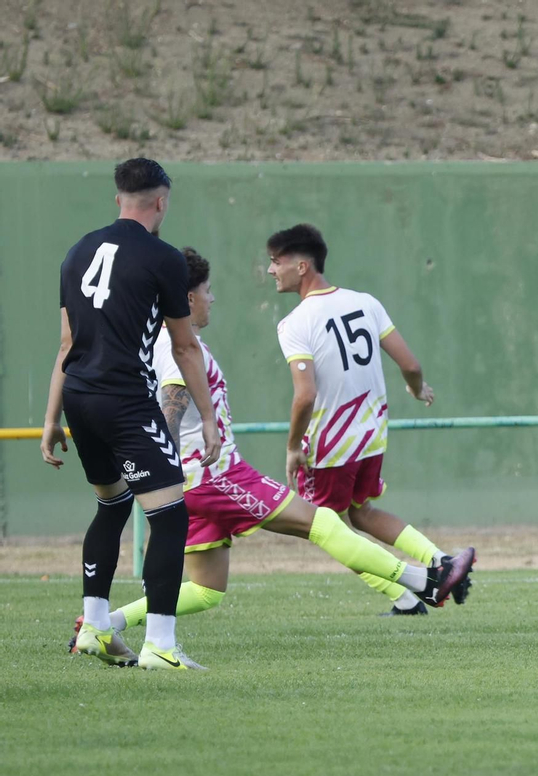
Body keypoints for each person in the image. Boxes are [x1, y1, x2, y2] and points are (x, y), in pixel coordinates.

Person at [72, 248, 473, 659]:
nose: (212, 298)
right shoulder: (180, 347)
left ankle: (104, 624)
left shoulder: (152, 343)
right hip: (215, 476)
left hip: (192, 483)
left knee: (207, 589)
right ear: (188, 297)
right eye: (208, 290)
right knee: (324, 523)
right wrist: (165, 469)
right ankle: (426, 581)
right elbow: (170, 402)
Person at [41, 158, 221, 670]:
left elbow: (66, 344)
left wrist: (51, 418)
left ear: (118, 198)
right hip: (125, 401)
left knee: (113, 504)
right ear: (161, 201)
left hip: (79, 397)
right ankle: (160, 645)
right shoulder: (163, 258)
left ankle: (95, 627)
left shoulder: (77, 252)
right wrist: (208, 418)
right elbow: (184, 347)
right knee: (170, 516)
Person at [267, 223, 473, 608]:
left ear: (301, 266)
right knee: (361, 513)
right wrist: (417, 389)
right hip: (372, 434)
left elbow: (305, 395)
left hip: (330, 444)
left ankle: (420, 587)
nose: (270, 270)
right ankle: (440, 562)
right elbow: (411, 365)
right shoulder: (365, 302)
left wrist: (293, 447)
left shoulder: (295, 323)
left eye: (276, 261)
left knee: (330, 531)